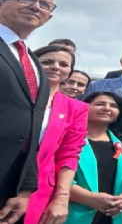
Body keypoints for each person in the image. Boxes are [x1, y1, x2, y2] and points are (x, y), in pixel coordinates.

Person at [0, 0, 54, 222]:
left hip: (10, 183)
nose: (35, 7)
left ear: (48, 17)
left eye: (44, 5)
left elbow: (32, 131)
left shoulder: (34, 65)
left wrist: (24, 188)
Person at [24, 45, 88, 224]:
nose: (56, 67)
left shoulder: (77, 108)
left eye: (63, 64)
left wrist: (62, 198)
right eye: (47, 62)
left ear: (69, 72)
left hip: (41, 189)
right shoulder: (12, 96)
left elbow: (69, 154)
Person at [67, 92, 122, 224]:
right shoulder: (68, 138)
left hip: (114, 216)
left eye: (113, 106)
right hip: (74, 214)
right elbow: (54, 176)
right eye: (100, 104)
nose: (107, 108)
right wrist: (89, 198)